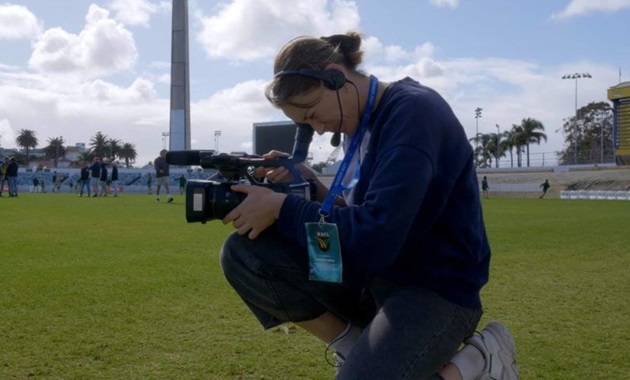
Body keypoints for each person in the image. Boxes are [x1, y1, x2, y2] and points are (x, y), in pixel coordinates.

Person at [219, 33, 518, 380]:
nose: (316, 129)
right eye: (306, 123)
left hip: (434, 290)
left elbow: (376, 236)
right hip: (375, 278)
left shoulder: (413, 114)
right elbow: (357, 213)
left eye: (313, 113)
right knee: (245, 254)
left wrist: (283, 209)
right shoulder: (358, 123)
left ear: (336, 76)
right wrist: (311, 186)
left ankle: (478, 361)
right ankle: (355, 346)